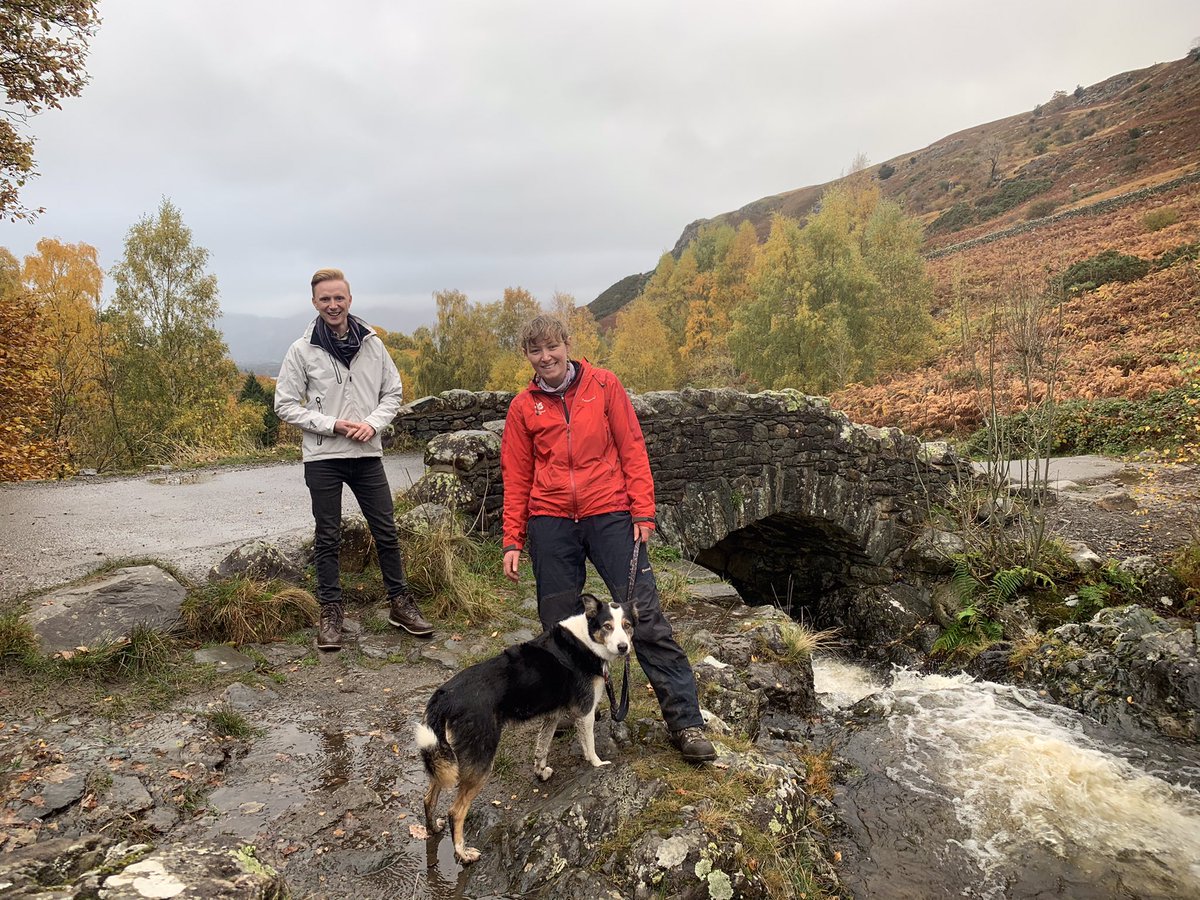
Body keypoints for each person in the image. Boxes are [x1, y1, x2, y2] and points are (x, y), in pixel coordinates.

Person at [499, 314, 716, 763]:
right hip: (551, 520)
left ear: (567, 345)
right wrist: (513, 538)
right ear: (528, 356)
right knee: (559, 628)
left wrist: (642, 509)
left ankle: (686, 723)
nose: (546, 358)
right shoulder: (524, 406)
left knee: (646, 616)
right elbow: (517, 475)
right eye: (536, 351)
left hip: (610, 512)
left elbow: (631, 445)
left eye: (552, 347)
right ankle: (573, 709)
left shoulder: (604, 385)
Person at [275, 267, 433, 650]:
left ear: (349, 299)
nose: (333, 305)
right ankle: (331, 614)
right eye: (325, 299)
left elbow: (392, 393)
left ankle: (400, 604)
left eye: (339, 297)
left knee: (387, 532)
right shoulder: (302, 350)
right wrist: (333, 424)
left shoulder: (373, 344)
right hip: (322, 456)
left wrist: (372, 424)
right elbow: (284, 404)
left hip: (366, 453)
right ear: (315, 303)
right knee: (327, 537)